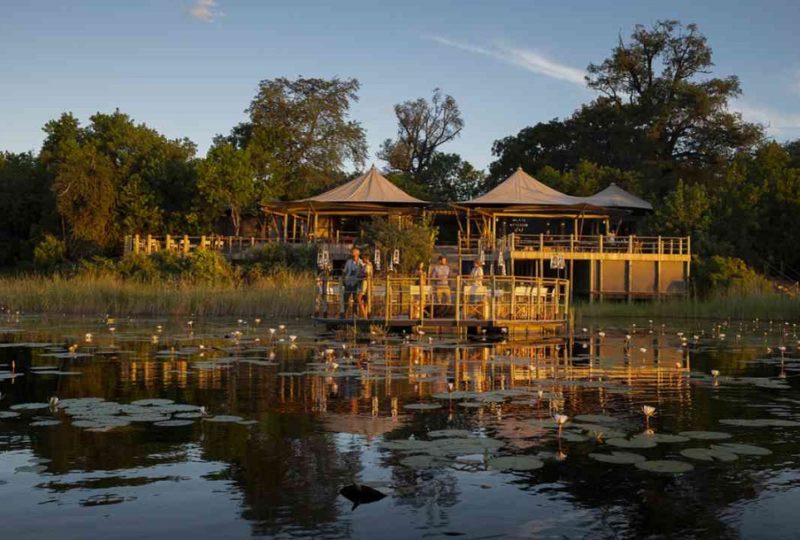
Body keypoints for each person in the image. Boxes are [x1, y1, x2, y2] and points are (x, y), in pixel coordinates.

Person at [341, 247, 364, 317]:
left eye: (354, 252)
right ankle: (344, 313)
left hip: (355, 283)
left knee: (355, 299)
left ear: (357, 253)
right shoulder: (349, 262)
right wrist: (343, 280)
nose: (352, 254)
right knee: (345, 298)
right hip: (348, 283)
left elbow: (363, 271)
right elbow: (344, 272)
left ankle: (355, 314)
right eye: (352, 252)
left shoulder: (360, 262)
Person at [358, 253, 374, 318]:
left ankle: (365, 314)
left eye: (363, 259)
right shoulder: (367, 265)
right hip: (365, 284)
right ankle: (365, 314)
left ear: (366, 259)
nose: (362, 260)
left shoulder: (368, 265)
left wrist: (361, 275)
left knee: (359, 298)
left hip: (365, 284)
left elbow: (367, 274)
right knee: (365, 300)